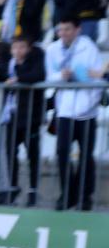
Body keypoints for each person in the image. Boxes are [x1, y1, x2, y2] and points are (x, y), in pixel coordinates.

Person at [45, 18, 105, 210]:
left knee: (86, 155)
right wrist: (59, 77)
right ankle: (68, 194)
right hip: (65, 110)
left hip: (87, 111)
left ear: (77, 29)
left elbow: (98, 78)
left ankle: (84, 196)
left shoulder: (89, 48)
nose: (63, 33)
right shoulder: (53, 49)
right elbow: (49, 77)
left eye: (67, 29)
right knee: (62, 152)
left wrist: (90, 103)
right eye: (60, 29)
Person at [0, 36, 47, 206]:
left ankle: (33, 190)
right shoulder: (8, 65)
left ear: (28, 48)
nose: (18, 51)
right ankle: (12, 188)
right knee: (10, 154)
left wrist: (18, 79)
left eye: (22, 47)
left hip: (31, 117)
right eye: (15, 48)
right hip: (11, 117)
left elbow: (38, 75)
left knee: (32, 154)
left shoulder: (35, 61)